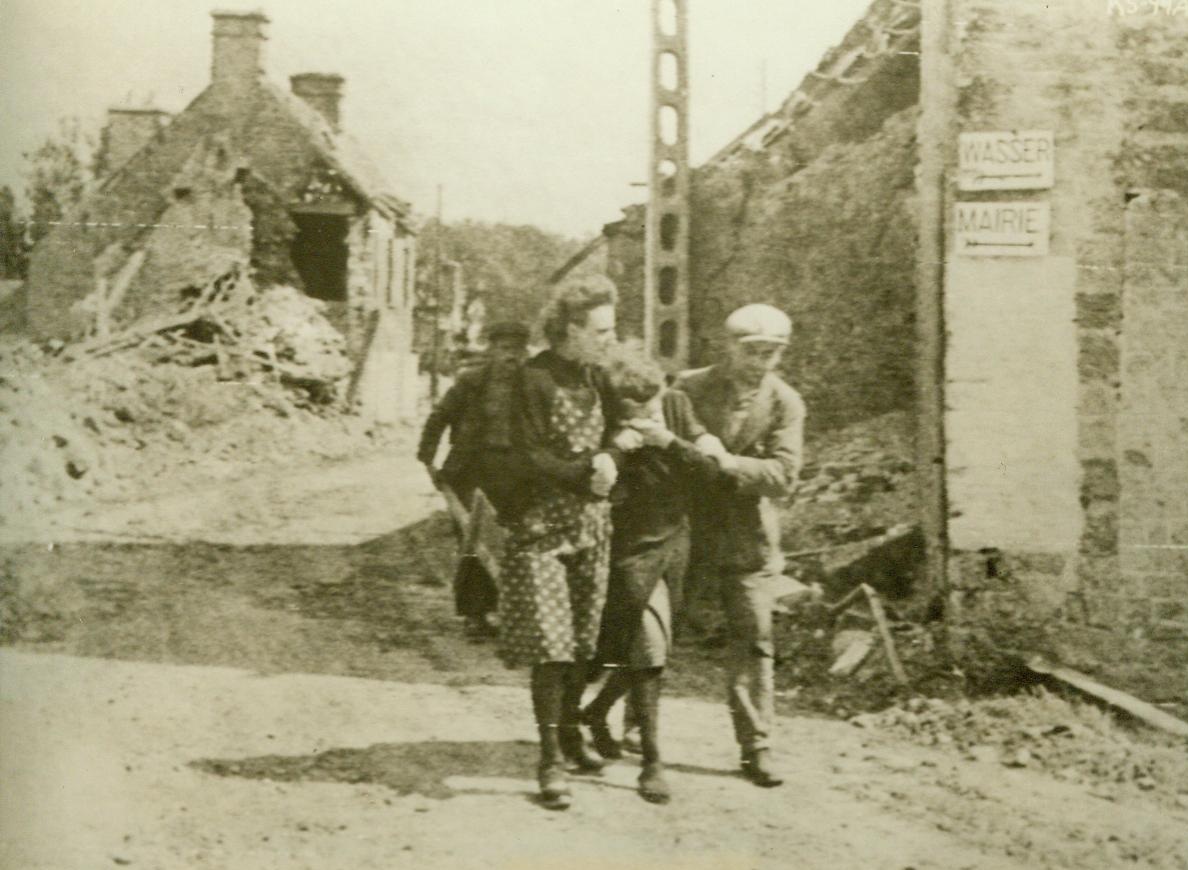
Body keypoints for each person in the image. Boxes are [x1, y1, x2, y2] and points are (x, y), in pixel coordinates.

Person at [579, 343, 727, 804]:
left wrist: (671, 442)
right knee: (640, 641)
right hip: (625, 541)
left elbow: (711, 473)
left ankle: (599, 712)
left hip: (676, 538)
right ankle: (652, 761)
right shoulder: (606, 416)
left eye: (650, 401)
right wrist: (614, 451)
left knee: (658, 643)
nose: (643, 412)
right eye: (632, 407)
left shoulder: (679, 406)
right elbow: (592, 475)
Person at [498, 276, 621, 810]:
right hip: (540, 526)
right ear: (572, 329)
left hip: (591, 526)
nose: (609, 339)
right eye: (602, 330)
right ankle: (549, 758)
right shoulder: (533, 379)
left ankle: (570, 732)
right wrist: (583, 475)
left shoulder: (598, 376)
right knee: (551, 647)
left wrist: (614, 454)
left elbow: (621, 427)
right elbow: (526, 456)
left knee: (583, 644)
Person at [674, 303, 805, 788]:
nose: (761, 361)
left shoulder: (785, 403)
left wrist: (726, 463)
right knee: (648, 630)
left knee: (753, 638)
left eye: (772, 353)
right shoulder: (688, 387)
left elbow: (783, 475)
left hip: (747, 539)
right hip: (683, 529)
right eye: (752, 351)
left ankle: (757, 746)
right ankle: (615, 722)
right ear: (728, 346)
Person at [417, 320, 531, 637]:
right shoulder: (471, 383)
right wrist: (427, 458)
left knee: (516, 542)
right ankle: (475, 615)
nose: (512, 356)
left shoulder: (534, 385)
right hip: (473, 472)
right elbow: (439, 418)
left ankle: (513, 612)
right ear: (491, 350)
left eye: (518, 350)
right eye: (505, 349)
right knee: (473, 543)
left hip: (518, 473)